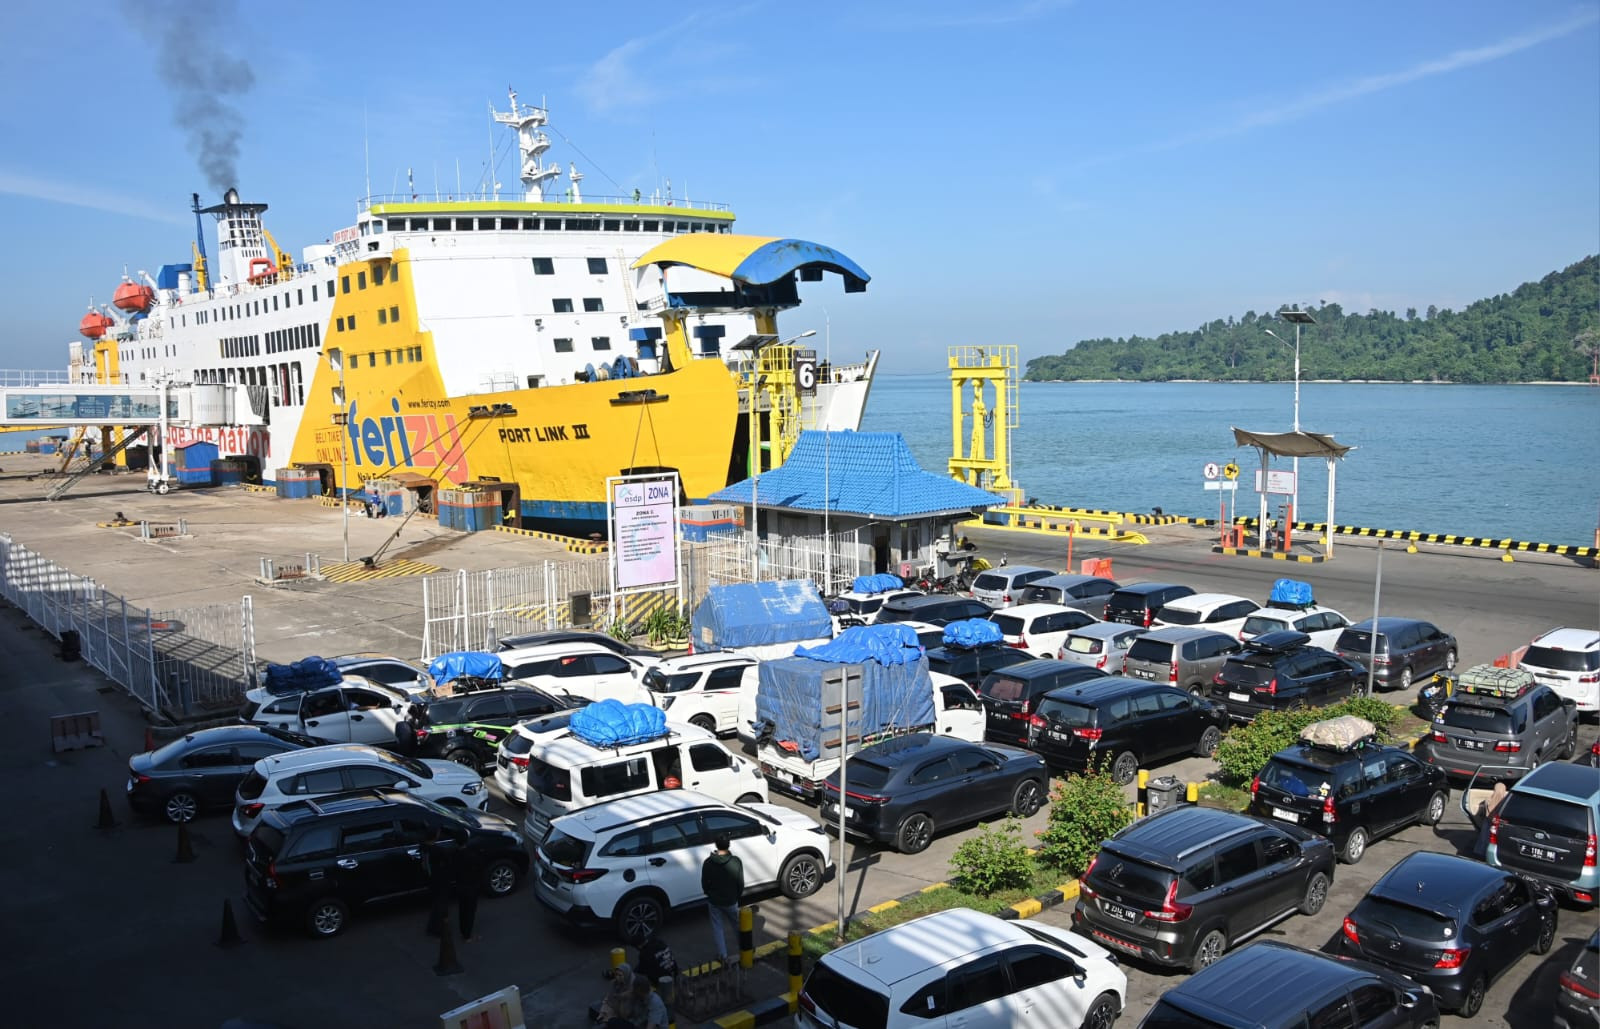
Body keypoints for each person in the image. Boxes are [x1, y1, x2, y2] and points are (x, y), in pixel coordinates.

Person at [700, 833, 743, 963]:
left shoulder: (708, 862)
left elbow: (704, 882)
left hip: (714, 901)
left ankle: (722, 955)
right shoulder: (735, 861)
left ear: (716, 845)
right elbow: (740, 883)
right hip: (731, 900)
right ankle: (745, 948)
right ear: (729, 845)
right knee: (738, 925)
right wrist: (736, 896)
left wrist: (708, 893)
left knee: (717, 927)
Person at [423, 826, 458, 937]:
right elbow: (448, 863)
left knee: (436, 903)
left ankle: (435, 926)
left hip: (431, 880)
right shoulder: (438, 851)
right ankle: (438, 928)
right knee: (441, 904)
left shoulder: (423, 847)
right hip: (440, 880)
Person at [453, 837, 483, 942]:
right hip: (471, 887)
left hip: (460, 885)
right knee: (470, 911)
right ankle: (467, 935)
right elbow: (479, 868)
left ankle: (463, 931)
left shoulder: (455, 853)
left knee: (462, 910)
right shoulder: (472, 856)